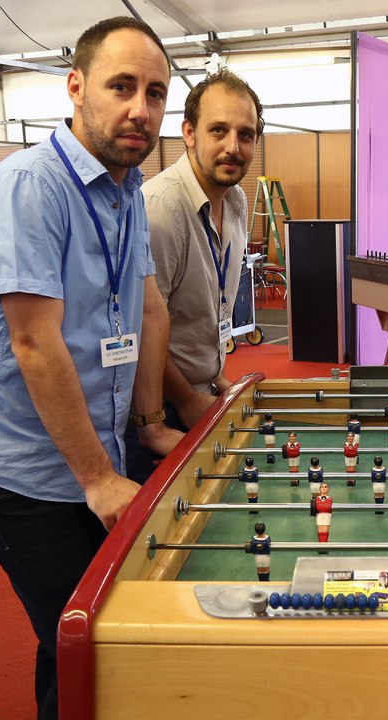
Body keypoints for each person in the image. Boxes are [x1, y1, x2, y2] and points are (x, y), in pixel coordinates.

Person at [0, 17, 180, 720]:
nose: (141, 108)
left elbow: (143, 311)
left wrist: (149, 423)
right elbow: (35, 345)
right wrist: (99, 480)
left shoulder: (127, 188)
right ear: (76, 88)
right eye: (122, 87)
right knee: (92, 644)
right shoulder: (30, 188)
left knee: (80, 637)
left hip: (89, 449)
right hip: (15, 468)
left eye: (156, 92)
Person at [125, 67, 263, 480]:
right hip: (161, 409)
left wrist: (216, 378)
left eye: (246, 134)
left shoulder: (236, 201)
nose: (232, 147)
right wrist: (185, 400)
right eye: (218, 130)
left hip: (201, 392)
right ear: (189, 132)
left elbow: (202, 313)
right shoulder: (162, 209)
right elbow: (143, 326)